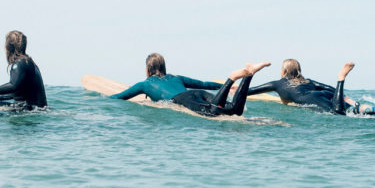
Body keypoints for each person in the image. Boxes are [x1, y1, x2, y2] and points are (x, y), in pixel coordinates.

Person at [111, 53, 271, 118]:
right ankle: (248, 76)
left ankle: (232, 78)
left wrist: (101, 98)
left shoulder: (145, 84)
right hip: (198, 93)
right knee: (234, 111)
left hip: (182, 100)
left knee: (213, 112)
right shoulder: (175, 77)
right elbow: (203, 84)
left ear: (147, 69)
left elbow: (119, 97)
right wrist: (220, 86)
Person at [244, 60, 375, 117]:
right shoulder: (307, 80)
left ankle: (341, 78)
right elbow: (327, 87)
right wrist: (344, 97)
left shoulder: (277, 83)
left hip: (310, 99)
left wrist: (236, 88)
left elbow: (250, 91)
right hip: (325, 94)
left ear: (283, 72)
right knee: (350, 109)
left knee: (338, 113)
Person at [0, 30, 47, 109]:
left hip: (27, 109)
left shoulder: (20, 63)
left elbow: (13, 86)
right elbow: (17, 92)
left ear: (9, 47)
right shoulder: (29, 63)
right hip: (36, 109)